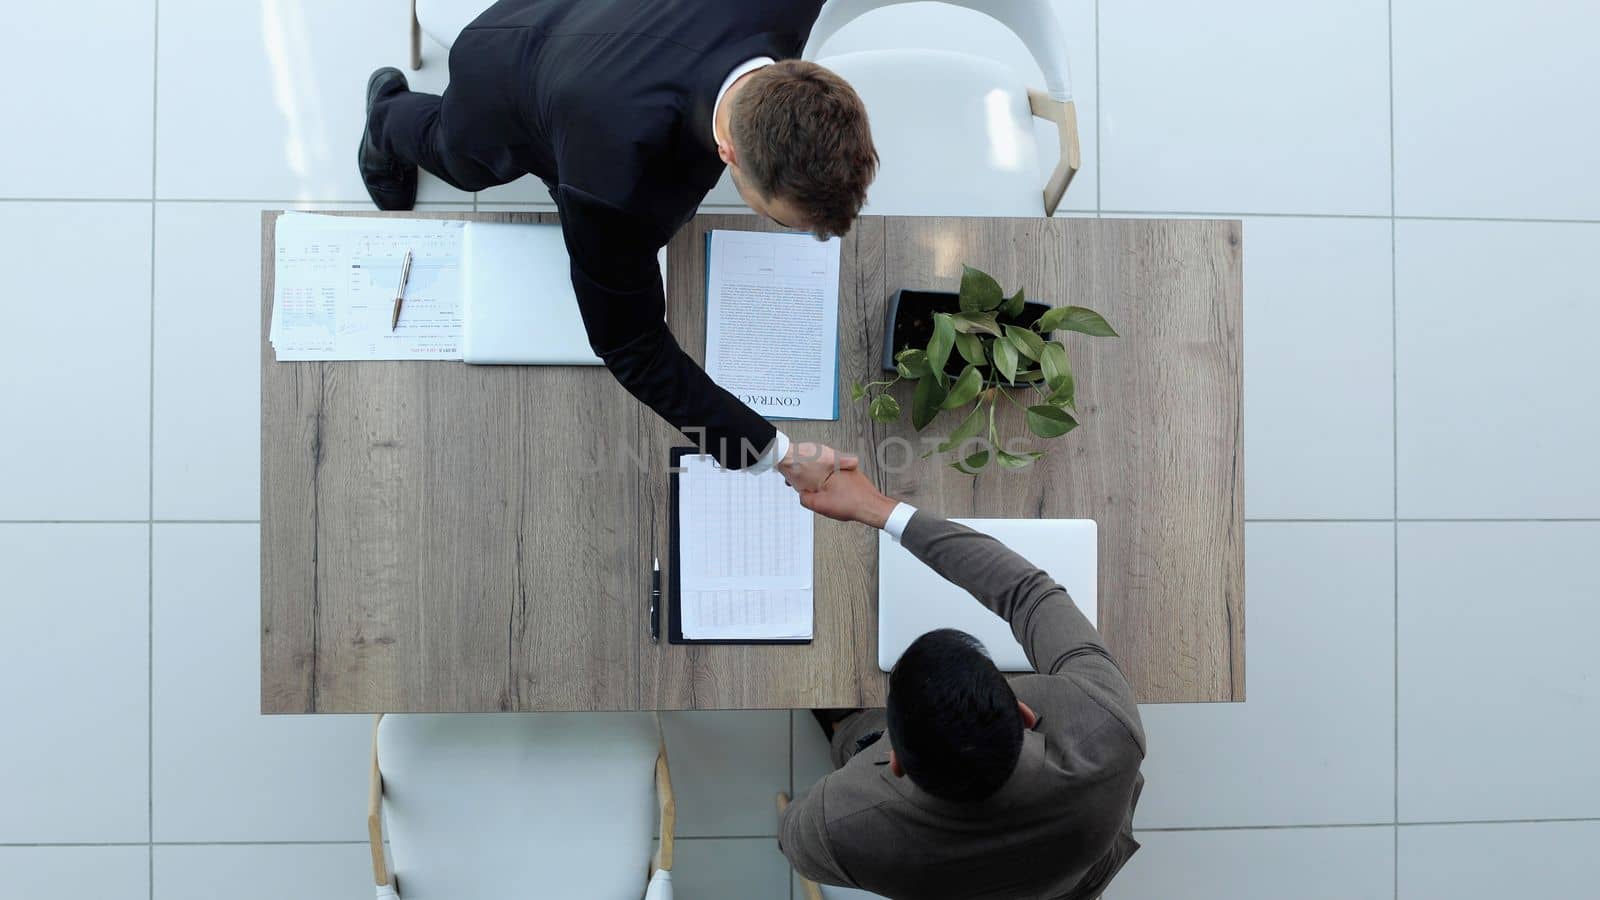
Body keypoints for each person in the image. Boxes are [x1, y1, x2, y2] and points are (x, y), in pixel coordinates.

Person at [357, 0, 878, 487]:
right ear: (728, 152)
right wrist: (776, 455)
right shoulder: (618, 191)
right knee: (455, 157)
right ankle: (385, 116)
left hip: (602, 37)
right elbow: (634, 350)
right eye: (782, 220)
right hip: (508, 58)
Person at [780, 467, 1146, 900]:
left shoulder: (839, 823)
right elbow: (1028, 592)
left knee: (852, 736)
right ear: (1025, 715)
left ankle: (852, 731)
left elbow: (792, 838)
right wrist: (880, 508)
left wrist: (878, 509)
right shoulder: (1107, 731)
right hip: (1070, 880)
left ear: (895, 760)